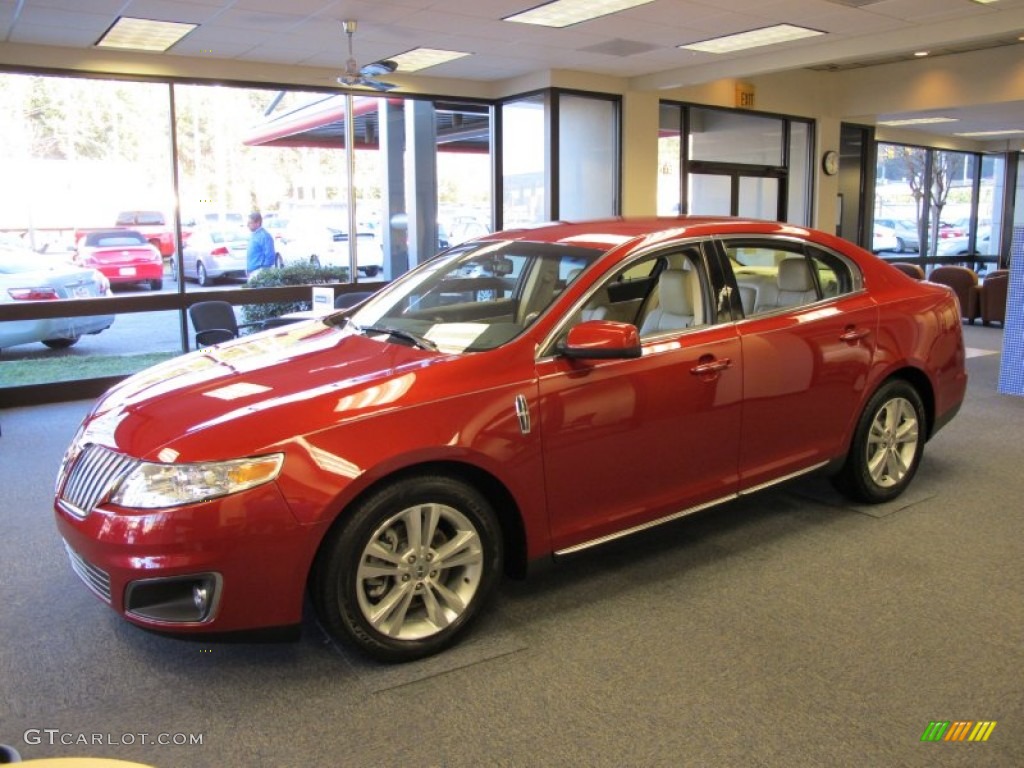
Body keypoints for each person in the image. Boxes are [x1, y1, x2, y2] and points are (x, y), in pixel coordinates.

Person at [246, 211, 276, 280]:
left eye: (250, 222)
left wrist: (261, 273)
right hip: (252, 272)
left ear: (258, 223)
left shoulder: (265, 236)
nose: (247, 225)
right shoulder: (254, 235)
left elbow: (270, 256)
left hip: (259, 273)